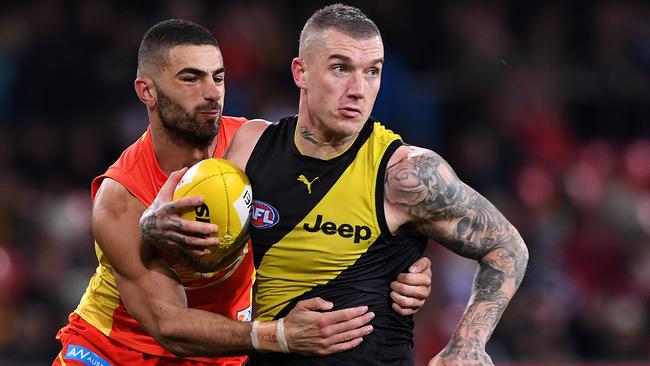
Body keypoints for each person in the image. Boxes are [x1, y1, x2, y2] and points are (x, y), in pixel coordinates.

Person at [142, 5, 529, 366]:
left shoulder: (407, 173)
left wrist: (468, 343)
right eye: (341, 68)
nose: (359, 89)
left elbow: (507, 246)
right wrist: (154, 229)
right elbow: (203, 261)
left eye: (373, 71)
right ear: (301, 72)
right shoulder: (249, 147)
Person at [53, 19, 432, 366]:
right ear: (147, 91)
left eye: (217, 78)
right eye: (190, 79)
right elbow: (167, 326)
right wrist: (280, 334)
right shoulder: (122, 196)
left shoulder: (256, 146)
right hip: (114, 351)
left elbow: (329, 212)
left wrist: (397, 268)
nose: (211, 94)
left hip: (228, 348)